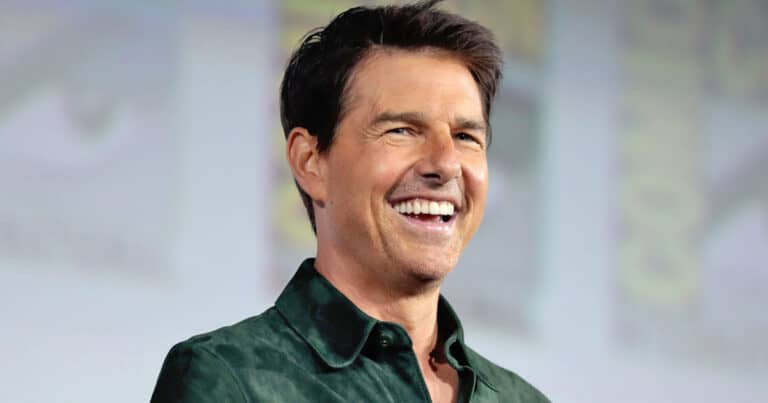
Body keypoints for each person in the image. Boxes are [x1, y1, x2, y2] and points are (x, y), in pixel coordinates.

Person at [150, 1, 549, 402]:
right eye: (402, 130)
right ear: (310, 162)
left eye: (465, 137)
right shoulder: (229, 377)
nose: (445, 164)